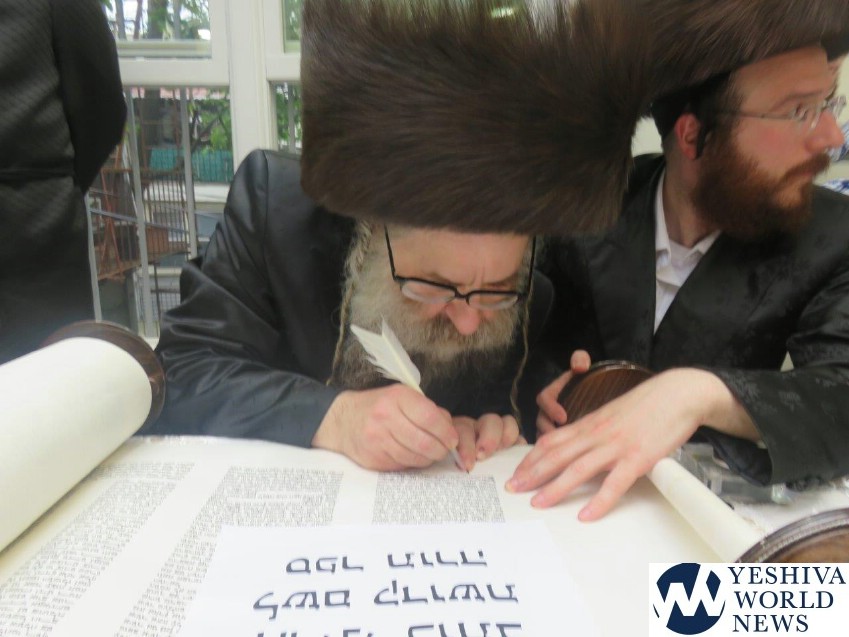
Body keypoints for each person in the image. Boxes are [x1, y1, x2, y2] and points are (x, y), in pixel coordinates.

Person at [144, 0, 649, 472]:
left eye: (496, 291)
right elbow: (180, 373)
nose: (469, 323)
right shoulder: (271, 209)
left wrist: (490, 424)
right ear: (371, 232)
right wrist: (334, 416)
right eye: (433, 286)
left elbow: (505, 397)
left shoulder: (530, 279)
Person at [509, 0, 849, 521]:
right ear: (692, 135)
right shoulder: (585, 209)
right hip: (566, 508)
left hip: (711, 527)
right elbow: (524, 344)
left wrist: (702, 392)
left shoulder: (834, 234)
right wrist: (547, 394)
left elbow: (840, 393)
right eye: (798, 111)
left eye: (828, 104)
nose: (832, 137)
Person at [0, 0, 126, 364]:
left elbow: (102, 109)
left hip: (31, 238)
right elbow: (102, 108)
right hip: (36, 222)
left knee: (47, 380)